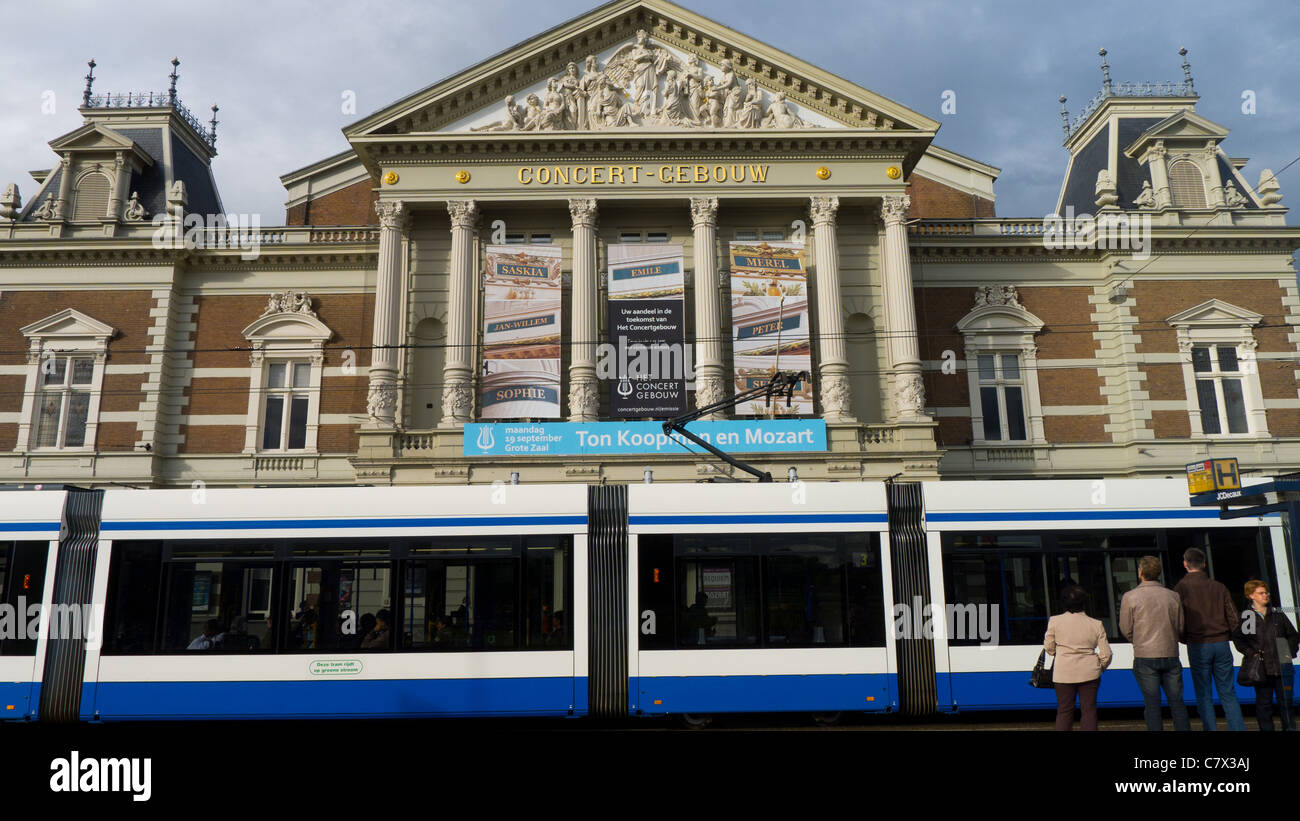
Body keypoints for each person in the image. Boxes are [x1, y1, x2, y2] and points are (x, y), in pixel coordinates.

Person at [1174, 547, 1246, 731]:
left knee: (1204, 694)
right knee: (1228, 692)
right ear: (1204, 564)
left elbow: (1178, 620)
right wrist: (1228, 635)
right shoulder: (1219, 587)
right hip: (1221, 644)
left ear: (1185, 564)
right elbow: (1234, 618)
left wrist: (1185, 638)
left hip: (1198, 645)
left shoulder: (1180, 589)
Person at [1119, 555, 1191, 731]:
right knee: (1177, 703)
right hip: (1171, 654)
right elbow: (1180, 627)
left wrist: (1138, 641)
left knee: (1152, 704)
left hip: (1145, 656)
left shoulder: (1130, 597)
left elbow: (1125, 628)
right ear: (1158, 573)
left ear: (1140, 572)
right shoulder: (1173, 596)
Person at [1232, 580, 1298, 731]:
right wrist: (1251, 653)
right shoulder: (1247, 617)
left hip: (1282, 666)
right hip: (1261, 669)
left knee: (1286, 704)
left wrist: (1287, 652)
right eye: (1261, 593)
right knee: (1264, 706)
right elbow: (1240, 639)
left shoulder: (1277, 614)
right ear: (1251, 596)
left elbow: (1293, 635)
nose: (1265, 595)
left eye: (1266, 592)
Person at [1044, 585, 1112, 730]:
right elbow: (1107, 654)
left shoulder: (1055, 621)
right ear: (1084, 603)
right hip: (1089, 672)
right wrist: (1099, 667)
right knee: (1089, 711)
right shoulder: (1096, 624)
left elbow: (1049, 648)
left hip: (1063, 673)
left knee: (1064, 711)